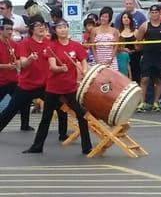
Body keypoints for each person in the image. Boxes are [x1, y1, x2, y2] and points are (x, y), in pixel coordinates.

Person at [22, 19, 92, 154]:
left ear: (68, 29)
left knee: (81, 115)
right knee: (46, 118)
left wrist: (84, 71)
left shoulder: (76, 46)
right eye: (60, 28)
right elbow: (52, 67)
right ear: (55, 30)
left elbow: (83, 61)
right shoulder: (51, 47)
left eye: (65, 27)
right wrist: (61, 68)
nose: (63, 30)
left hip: (71, 88)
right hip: (53, 88)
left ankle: (87, 147)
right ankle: (37, 146)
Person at [0, 16, 66, 135]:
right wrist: (30, 59)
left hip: (46, 85)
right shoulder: (25, 43)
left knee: (61, 107)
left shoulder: (49, 43)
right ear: (31, 29)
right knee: (11, 110)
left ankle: (63, 134)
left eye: (42, 25)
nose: (41, 27)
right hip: (27, 85)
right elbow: (23, 64)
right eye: (37, 25)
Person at [136, 5, 161, 112]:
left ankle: (156, 102)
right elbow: (138, 41)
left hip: (160, 56)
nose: (154, 14)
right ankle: (142, 102)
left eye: (156, 12)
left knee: (159, 80)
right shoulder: (145, 26)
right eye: (152, 12)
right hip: (148, 56)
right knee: (145, 79)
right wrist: (143, 50)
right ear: (150, 13)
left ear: (159, 13)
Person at [118, 12, 141, 83]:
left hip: (134, 58)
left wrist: (136, 49)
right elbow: (116, 47)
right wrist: (124, 49)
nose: (126, 19)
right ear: (121, 20)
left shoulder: (136, 31)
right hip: (123, 59)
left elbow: (140, 45)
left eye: (127, 17)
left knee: (135, 76)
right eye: (124, 17)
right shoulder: (118, 32)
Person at [0, 19, 18, 107]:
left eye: (11, 29)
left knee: (21, 105)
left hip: (13, 80)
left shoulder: (13, 44)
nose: (10, 32)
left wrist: (18, 63)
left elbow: (18, 59)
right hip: (1, 81)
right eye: (7, 29)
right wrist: (6, 66)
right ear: (1, 30)